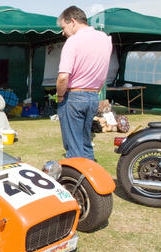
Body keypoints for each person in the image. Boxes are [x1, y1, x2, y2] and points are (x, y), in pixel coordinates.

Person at [56, 6, 112, 160]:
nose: (63, 32)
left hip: (74, 96)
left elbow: (63, 77)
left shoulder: (73, 41)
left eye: (63, 27)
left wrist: (60, 96)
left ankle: (75, 181)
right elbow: (104, 72)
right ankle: (91, 176)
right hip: (93, 96)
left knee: (73, 146)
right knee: (85, 142)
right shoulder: (105, 39)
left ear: (72, 22)